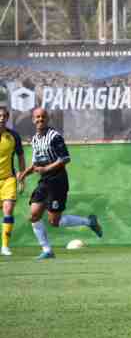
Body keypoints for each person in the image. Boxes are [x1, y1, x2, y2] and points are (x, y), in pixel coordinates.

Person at [19, 108, 102, 260]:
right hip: (44, 181)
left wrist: (45, 168)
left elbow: (65, 158)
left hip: (58, 180)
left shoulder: (55, 137)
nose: (40, 119)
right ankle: (47, 250)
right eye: (37, 117)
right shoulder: (35, 139)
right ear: (33, 119)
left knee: (54, 221)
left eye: (43, 117)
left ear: (47, 118)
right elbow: (36, 163)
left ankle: (89, 222)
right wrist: (23, 175)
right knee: (34, 215)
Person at [0, 106, 26, 256]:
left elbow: (21, 157)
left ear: (7, 118)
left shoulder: (13, 136)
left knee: (8, 209)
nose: (1, 118)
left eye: (4, 116)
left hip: (8, 179)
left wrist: (21, 177)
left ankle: (4, 246)